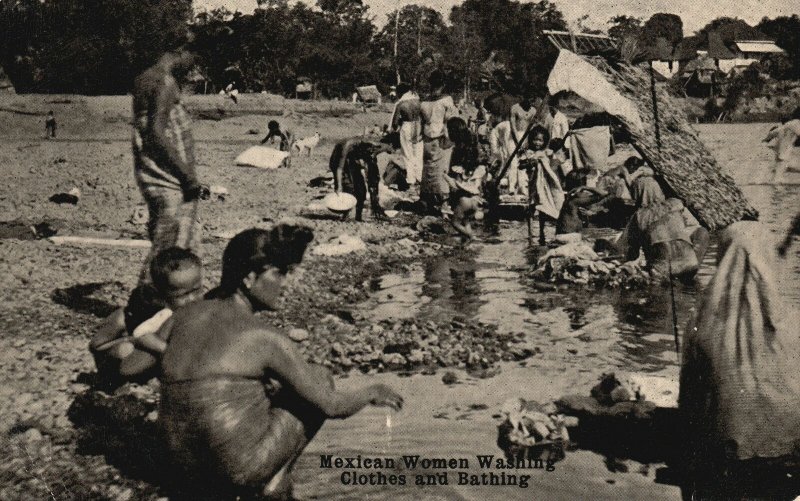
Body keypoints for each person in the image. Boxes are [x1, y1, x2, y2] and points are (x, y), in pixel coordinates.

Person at [158, 225, 403, 500]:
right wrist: (372, 392)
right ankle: (275, 483)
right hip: (237, 470)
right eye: (280, 273)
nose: (286, 283)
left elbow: (130, 367)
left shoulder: (186, 314)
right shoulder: (264, 337)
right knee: (319, 377)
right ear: (250, 278)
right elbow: (332, 406)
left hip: (180, 467)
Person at [679, 221, 800, 499]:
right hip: (790, 459)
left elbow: (690, 405)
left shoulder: (701, 325)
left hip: (726, 460)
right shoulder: (792, 321)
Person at [132, 49, 203, 287]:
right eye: (192, 58)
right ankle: (144, 303)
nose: (192, 67)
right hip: (170, 176)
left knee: (176, 237)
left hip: (154, 171)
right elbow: (156, 132)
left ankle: (179, 299)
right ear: (180, 51)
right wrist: (187, 176)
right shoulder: (165, 82)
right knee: (169, 244)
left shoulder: (144, 77)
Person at [89, 248, 203, 390]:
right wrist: (172, 352)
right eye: (182, 295)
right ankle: (113, 384)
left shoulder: (183, 305)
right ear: (163, 295)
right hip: (111, 352)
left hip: (135, 344)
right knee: (130, 350)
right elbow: (143, 337)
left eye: (196, 290)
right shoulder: (152, 310)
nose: (192, 299)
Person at [616, 177, 709, 281]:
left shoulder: (638, 216)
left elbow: (630, 253)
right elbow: (699, 229)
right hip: (690, 264)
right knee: (702, 231)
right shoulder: (676, 204)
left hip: (662, 271)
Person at [419, 69, 458, 215]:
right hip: (441, 138)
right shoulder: (446, 101)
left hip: (427, 138)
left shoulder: (424, 102)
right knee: (442, 169)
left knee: (428, 168)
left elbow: (422, 122)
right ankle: (443, 201)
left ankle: (427, 198)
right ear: (443, 84)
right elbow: (450, 122)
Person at [330, 137, 393, 221]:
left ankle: (358, 216)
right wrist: (339, 186)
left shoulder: (374, 146)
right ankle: (347, 213)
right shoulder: (346, 146)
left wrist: (374, 198)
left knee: (361, 189)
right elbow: (339, 168)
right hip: (337, 161)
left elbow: (389, 148)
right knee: (348, 186)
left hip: (353, 158)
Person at [520, 126, 563, 245]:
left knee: (542, 207)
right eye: (535, 140)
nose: (537, 143)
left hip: (542, 185)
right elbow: (521, 165)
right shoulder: (528, 153)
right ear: (531, 140)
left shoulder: (545, 153)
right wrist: (529, 162)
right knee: (531, 207)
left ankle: (542, 232)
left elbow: (554, 160)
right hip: (532, 184)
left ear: (544, 142)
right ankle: (530, 232)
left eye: (540, 140)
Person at [445, 117, 485, 241]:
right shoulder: (471, 158)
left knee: (455, 222)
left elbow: (454, 180)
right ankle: (469, 243)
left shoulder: (456, 152)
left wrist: (445, 176)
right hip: (474, 200)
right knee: (466, 221)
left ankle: (471, 237)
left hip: (463, 200)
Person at [390, 83, 423, 185]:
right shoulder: (418, 102)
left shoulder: (401, 104)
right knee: (418, 152)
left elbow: (395, 123)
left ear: (400, 92)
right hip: (418, 125)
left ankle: (411, 179)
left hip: (407, 126)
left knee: (407, 153)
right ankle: (419, 177)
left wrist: (398, 126)